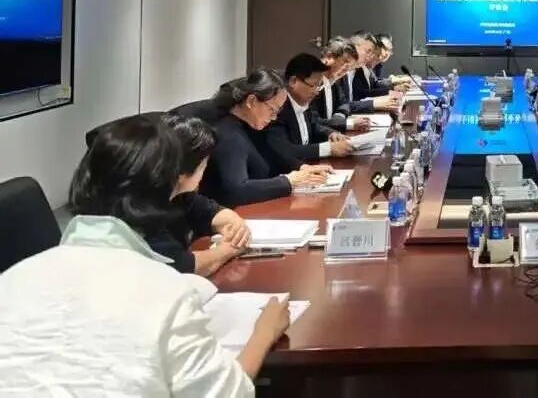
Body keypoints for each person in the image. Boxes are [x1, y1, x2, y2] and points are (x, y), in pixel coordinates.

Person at [0, 115, 290, 396]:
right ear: (171, 185)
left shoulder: (12, 280)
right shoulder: (167, 292)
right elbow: (229, 393)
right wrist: (264, 333)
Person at [201, 67, 328, 206]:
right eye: (272, 110)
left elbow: (272, 156)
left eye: (277, 112)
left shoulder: (252, 126)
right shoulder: (229, 136)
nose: (274, 117)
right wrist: (288, 181)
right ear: (251, 101)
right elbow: (236, 190)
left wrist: (302, 167)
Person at [144, 114, 251, 276]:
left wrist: (236, 228)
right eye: (203, 165)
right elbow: (182, 266)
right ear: (182, 171)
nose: (204, 172)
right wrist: (230, 248)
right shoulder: (144, 208)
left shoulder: (179, 193)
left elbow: (214, 212)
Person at [264, 53, 356, 172]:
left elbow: (313, 125)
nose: (317, 92)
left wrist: (330, 134)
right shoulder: (277, 109)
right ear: (293, 81)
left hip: (308, 167)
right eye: (313, 85)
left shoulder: (304, 100)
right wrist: (328, 149)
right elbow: (285, 150)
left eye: (319, 85)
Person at [311, 36, 371, 132]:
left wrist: (338, 118)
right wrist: (347, 123)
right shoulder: (311, 83)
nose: (346, 69)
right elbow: (314, 122)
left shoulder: (334, 80)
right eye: (345, 62)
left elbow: (344, 103)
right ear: (329, 57)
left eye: (350, 66)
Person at [339, 32, 403, 113]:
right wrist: (373, 103)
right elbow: (355, 98)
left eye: (373, 52)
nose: (371, 56)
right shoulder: (342, 72)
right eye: (368, 51)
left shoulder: (355, 69)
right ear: (354, 47)